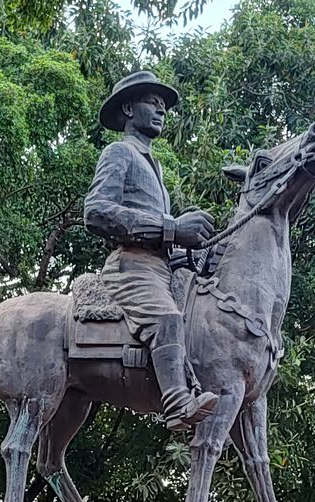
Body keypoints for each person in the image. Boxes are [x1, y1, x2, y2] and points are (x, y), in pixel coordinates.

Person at [84, 71, 218, 431]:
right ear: (128, 108)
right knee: (169, 319)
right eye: (152, 103)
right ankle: (176, 403)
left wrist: (201, 248)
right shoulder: (119, 152)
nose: (161, 111)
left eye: (164, 106)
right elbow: (95, 212)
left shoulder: (154, 166)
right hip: (131, 267)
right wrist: (174, 228)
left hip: (160, 268)